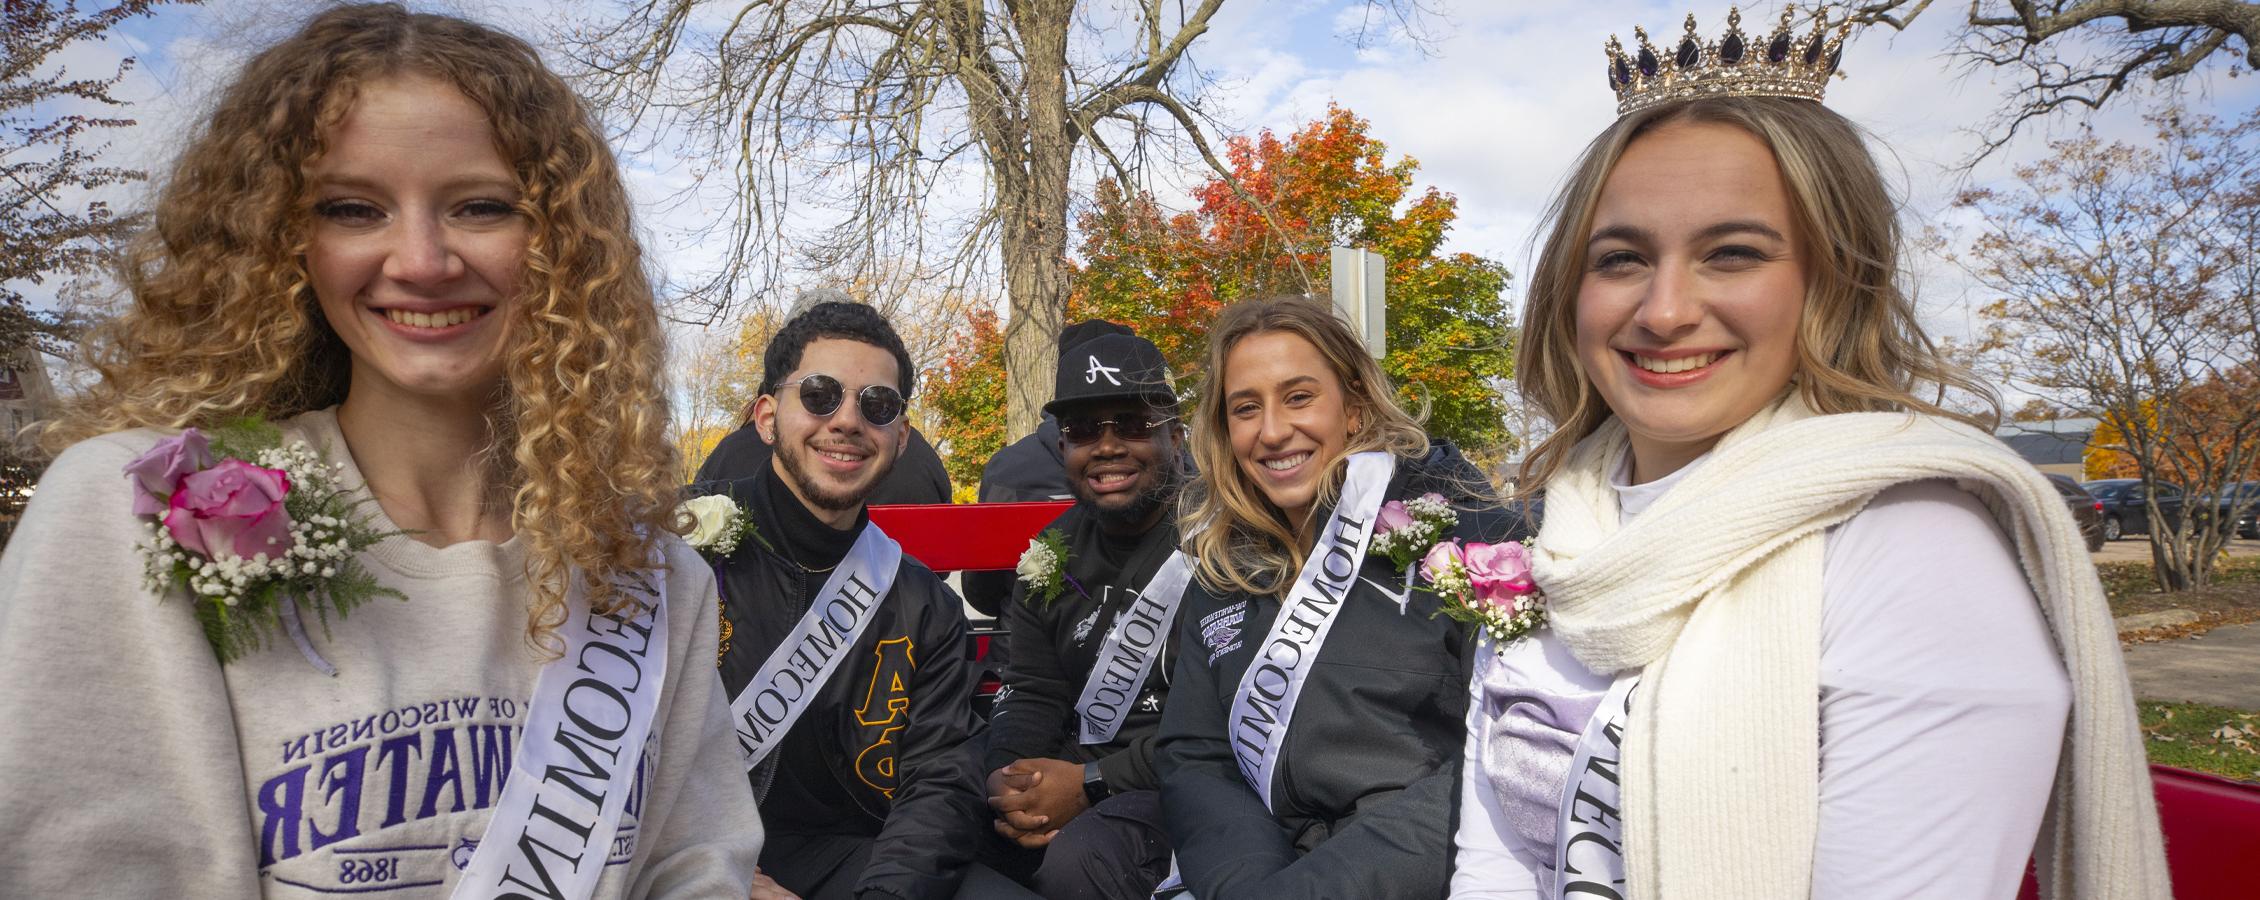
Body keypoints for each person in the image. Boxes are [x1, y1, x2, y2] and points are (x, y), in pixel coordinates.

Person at [0, 5, 760, 897]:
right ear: (285, 242)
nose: (423, 259)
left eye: (482, 206)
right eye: (353, 208)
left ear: (558, 243)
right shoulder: (142, 511)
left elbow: (691, 870)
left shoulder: (652, 575)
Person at [1451, 9, 2169, 899]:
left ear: (1833, 280)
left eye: (1733, 254)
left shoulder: (1918, 555)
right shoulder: (1563, 527)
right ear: (1572, 290)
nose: (1665, 310)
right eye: (1623, 259)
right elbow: (1494, 866)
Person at [1155, 295, 1507, 900]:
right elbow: (1197, 754)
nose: (1271, 432)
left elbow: (1496, 755)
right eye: (1245, 408)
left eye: (1298, 397)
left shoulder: (1467, 539)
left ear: (1354, 406)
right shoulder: (1221, 567)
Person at [690, 301, 1034, 900]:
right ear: (767, 417)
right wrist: (714, 872)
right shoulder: (680, 546)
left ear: (899, 437)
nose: (847, 421)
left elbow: (938, 779)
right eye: (820, 394)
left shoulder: (925, 604)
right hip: (684, 852)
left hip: (855, 855)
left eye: (877, 405)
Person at [979, 330, 1189, 899]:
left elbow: (1218, 723)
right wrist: (1008, 779)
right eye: (1082, 429)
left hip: (1184, 781)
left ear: (1175, 436)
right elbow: (1032, 691)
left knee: (1080, 861)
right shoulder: (1053, 547)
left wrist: (1091, 785)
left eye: (1131, 424)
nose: (1107, 445)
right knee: (943, 821)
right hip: (1074, 770)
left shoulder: (1221, 540)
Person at [960, 320, 1140, 618]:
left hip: (1016, 639)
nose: (1107, 448)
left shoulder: (1006, 468)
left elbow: (983, 591)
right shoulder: (1178, 467)